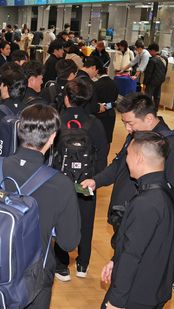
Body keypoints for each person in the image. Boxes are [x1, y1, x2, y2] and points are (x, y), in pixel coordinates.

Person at [0, 103, 80, 308]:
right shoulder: (60, 184)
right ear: (52, 138)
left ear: (19, 130)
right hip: (33, 279)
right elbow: (69, 242)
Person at [80, 93, 174, 235]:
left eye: (130, 123)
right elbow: (118, 165)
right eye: (124, 123)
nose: (127, 129)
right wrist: (96, 181)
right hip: (124, 214)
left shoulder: (170, 146)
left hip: (143, 223)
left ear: (148, 118)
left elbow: (169, 194)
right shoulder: (136, 136)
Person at [101, 131, 174, 309]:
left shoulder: (146, 203)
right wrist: (115, 260)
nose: (126, 160)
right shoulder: (165, 190)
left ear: (139, 159)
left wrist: (116, 301)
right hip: (152, 290)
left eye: (128, 154)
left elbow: (132, 254)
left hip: (135, 295)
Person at [53, 79, 108, 281]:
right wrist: (94, 179)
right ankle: (83, 264)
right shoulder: (95, 123)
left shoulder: (56, 120)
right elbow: (102, 155)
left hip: (60, 182)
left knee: (61, 220)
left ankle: (61, 265)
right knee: (86, 222)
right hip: (87, 182)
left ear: (66, 98)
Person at [94, 62, 119, 152]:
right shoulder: (114, 83)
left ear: (97, 73)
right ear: (107, 71)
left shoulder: (96, 85)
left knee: (97, 137)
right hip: (111, 114)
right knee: (108, 139)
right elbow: (115, 99)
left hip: (99, 114)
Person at [143, 43, 166, 109]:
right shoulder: (162, 59)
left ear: (153, 50)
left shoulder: (152, 60)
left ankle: (147, 109)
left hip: (151, 82)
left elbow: (148, 73)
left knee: (148, 96)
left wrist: (145, 83)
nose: (149, 53)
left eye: (150, 51)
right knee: (157, 96)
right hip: (159, 81)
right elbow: (165, 70)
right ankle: (155, 110)